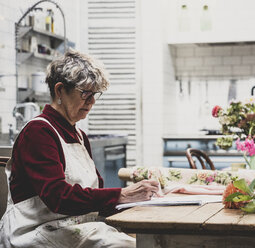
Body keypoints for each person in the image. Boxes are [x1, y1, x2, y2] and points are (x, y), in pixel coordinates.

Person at [0, 49, 159, 248]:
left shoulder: (79, 136)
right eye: (85, 93)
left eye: (95, 94)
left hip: (72, 228)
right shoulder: (38, 131)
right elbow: (58, 197)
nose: (92, 101)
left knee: (148, 241)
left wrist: (141, 203)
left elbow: (94, 198)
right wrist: (122, 194)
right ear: (59, 91)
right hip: (35, 233)